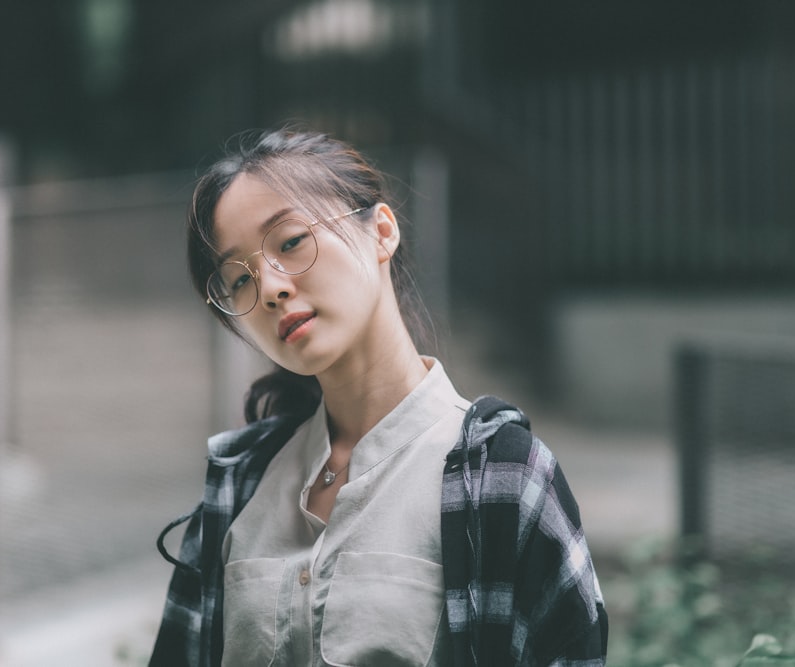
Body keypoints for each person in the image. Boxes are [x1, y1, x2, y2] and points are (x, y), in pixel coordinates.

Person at [149, 128, 608, 667]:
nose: (270, 286)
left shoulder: (503, 477)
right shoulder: (239, 482)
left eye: (291, 241)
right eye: (238, 280)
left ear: (381, 230)